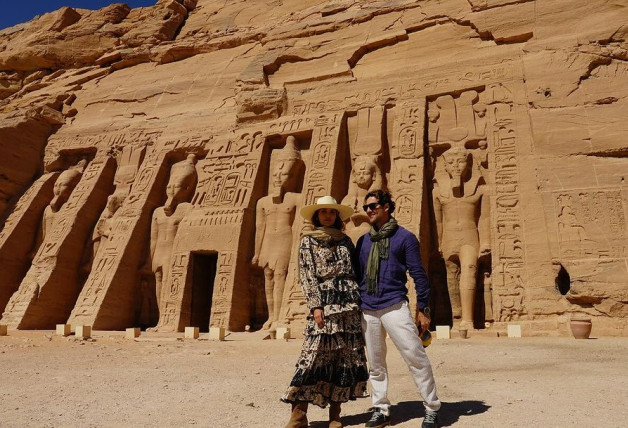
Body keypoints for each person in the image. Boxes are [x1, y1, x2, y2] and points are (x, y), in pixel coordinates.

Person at [282, 196, 369, 428]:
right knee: (311, 357)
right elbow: (308, 275)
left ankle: (336, 414)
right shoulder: (308, 241)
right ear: (317, 216)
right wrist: (315, 305)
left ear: (337, 216)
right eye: (323, 212)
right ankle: (298, 414)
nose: (328, 216)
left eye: (332, 212)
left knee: (344, 358)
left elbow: (356, 271)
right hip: (325, 303)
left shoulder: (346, 241)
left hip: (349, 304)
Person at [356, 190, 441, 428]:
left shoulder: (405, 238)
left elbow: (418, 275)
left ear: (387, 207)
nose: (369, 211)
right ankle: (381, 408)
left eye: (373, 206)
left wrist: (422, 308)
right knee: (375, 363)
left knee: (415, 356)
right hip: (368, 309)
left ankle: (432, 407)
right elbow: (357, 276)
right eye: (366, 207)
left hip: (394, 305)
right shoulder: (363, 241)